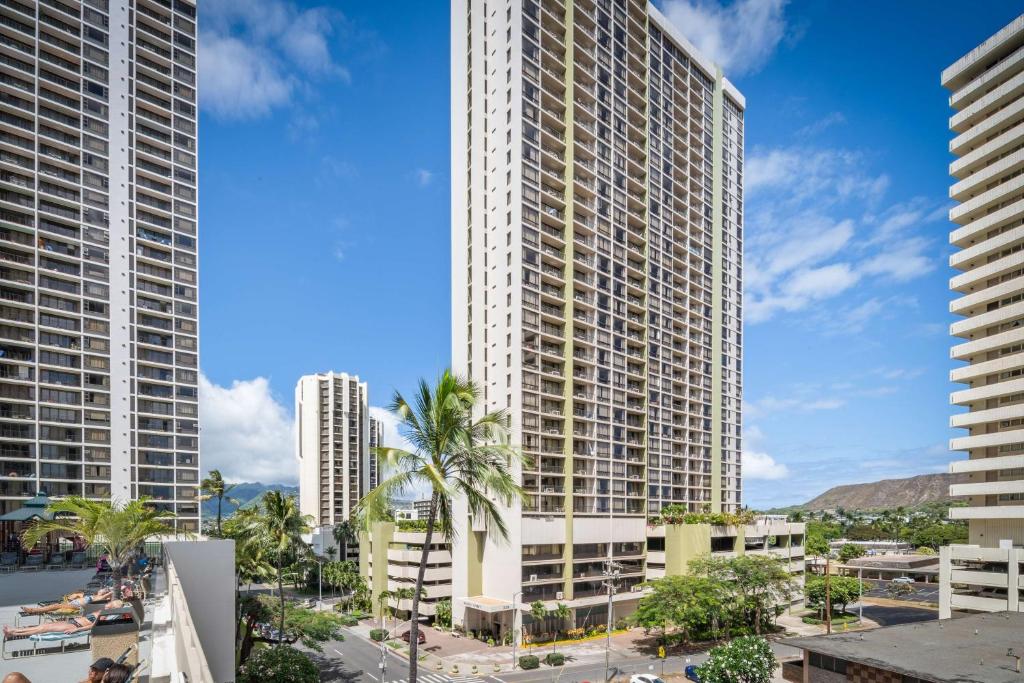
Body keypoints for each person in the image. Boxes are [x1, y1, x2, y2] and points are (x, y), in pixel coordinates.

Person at [2, 612, 99, 638]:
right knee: (44, 625)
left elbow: (93, 626)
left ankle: (14, 633)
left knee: (43, 629)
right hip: (73, 621)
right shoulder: (102, 610)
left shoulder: (104, 615)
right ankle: (14, 630)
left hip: (75, 626)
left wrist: (76, 630)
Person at [20, 588, 115, 614]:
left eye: (103, 590)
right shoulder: (94, 595)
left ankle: (33, 610)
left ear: (104, 593)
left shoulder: (99, 598)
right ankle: (39, 610)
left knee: (55, 606)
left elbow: (109, 594)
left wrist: (110, 592)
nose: (101, 589)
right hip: (73, 603)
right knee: (54, 605)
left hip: (77, 607)